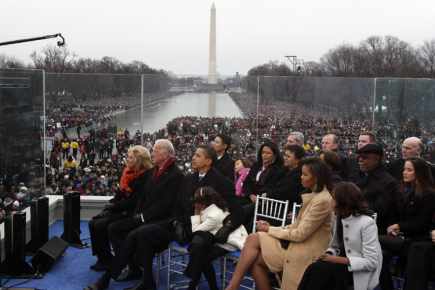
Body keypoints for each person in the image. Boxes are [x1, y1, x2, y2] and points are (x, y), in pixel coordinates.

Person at [84, 139, 184, 290]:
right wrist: (137, 215)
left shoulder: (176, 175)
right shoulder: (154, 172)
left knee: (133, 235)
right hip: (146, 217)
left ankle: (108, 278)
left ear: (167, 153)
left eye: (156, 150)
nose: (153, 153)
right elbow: (143, 199)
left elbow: (165, 205)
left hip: (163, 222)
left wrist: (142, 217)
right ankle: (133, 268)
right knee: (115, 228)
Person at [224, 157, 334, 290]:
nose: (301, 177)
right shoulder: (315, 196)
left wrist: (269, 229)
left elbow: (300, 234)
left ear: (316, 178)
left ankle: (232, 286)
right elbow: (296, 226)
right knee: (254, 250)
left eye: (305, 174)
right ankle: (233, 286)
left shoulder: (322, 200)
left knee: (254, 246)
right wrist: (271, 228)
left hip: (305, 252)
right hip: (296, 245)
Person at [298, 182, 382, 290]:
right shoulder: (338, 217)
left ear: (343, 202)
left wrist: (336, 259)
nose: (330, 202)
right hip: (339, 266)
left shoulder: (367, 223)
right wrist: (328, 254)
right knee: (315, 267)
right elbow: (335, 246)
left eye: (333, 199)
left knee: (320, 271)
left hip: (357, 273)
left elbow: (371, 262)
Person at [88, 145, 153, 271]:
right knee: (93, 223)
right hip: (122, 208)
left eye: (130, 158)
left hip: (132, 212)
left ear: (139, 160)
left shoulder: (145, 177)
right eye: (127, 157)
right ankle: (104, 258)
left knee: (101, 225)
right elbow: (120, 194)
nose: (127, 160)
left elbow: (134, 202)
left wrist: (113, 207)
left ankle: (121, 261)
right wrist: (110, 205)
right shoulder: (127, 173)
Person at [379, 157, 435, 290]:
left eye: (409, 170)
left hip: (418, 240)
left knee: (373, 239)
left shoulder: (429, 195)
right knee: (378, 252)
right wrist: (397, 227)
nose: (404, 172)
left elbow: (421, 223)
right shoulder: (407, 191)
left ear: (419, 173)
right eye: (404, 169)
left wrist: (399, 226)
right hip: (406, 238)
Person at [185, 186, 247, 290]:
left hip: (229, 242)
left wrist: (196, 214)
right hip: (218, 238)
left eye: (196, 201)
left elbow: (196, 231)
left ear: (202, 203)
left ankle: (193, 283)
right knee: (200, 252)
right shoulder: (213, 207)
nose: (194, 204)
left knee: (201, 256)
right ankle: (201, 285)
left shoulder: (213, 215)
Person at [355, 143, 401, 234]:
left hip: (377, 231)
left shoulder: (388, 182)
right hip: (360, 226)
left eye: (364, 157)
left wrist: (354, 208)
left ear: (376, 159)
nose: (360, 160)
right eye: (359, 157)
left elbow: (379, 210)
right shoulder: (360, 177)